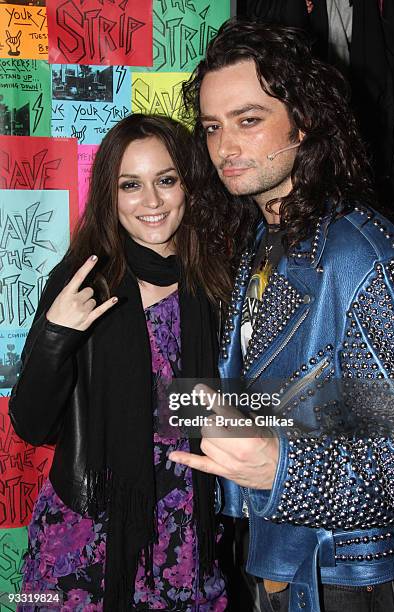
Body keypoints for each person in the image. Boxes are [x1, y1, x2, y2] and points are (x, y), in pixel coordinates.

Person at [169, 20, 394, 612]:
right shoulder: (257, 235)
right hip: (273, 555)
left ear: (302, 122)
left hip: (347, 576)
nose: (226, 147)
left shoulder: (360, 255)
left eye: (249, 120)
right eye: (213, 127)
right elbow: (299, 397)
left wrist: (282, 467)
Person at [8, 113, 229, 611]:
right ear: (111, 194)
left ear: (188, 186)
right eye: (131, 185)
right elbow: (31, 423)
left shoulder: (213, 281)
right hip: (90, 528)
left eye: (166, 180)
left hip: (186, 528)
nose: (151, 202)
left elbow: (220, 407)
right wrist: (56, 336)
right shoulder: (84, 282)